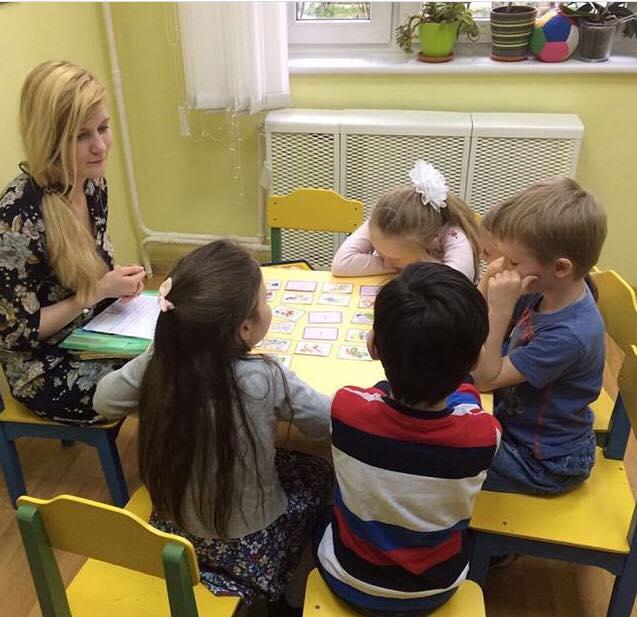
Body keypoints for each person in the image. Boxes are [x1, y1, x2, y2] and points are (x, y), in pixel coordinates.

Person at [93, 240, 333, 616]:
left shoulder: (160, 365)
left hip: (173, 533)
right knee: (319, 472)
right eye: (266, 299)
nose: (269, 306)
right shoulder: (265, 376)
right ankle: (289, 593)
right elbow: (324, 423)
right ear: (245, 328)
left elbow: (104, 400)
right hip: (250, 544)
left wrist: (160, 354)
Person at [314, 262, 501, 616]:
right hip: (435, 587)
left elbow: (376, 394)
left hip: (348, 578)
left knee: (321, 499)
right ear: (476, 360)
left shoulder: (346, 408)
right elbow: (467, 402)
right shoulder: (483, 435)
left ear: (374, 346)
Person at [0, 60, 146, 425]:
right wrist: (96, 292)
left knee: (190, 349)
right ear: (49, 140)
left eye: (103, 128)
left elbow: (89, 268)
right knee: (175, 379)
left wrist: (117, 282)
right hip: (44, 368)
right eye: (81, 136)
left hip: (92, 332)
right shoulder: (16, 220)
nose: (100, 146)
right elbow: (18, 334)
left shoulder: (91, 183)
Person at [472, 177, 607, 495]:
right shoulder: (546, 287)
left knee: (440, 450)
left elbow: (484, 379)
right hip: (516, 425)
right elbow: (473, 328)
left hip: (543, 464)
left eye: (513, 261)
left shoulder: (570, 334)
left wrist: (499, 310)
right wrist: (488, 282)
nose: (502, 266)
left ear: (560, 268)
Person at [331, 160, 480, 282]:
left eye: (395, 260)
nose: (385, 263)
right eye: (380, 254)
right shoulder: (384, 224)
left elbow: (455, 283)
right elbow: (341, 264)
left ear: (429, 246)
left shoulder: (451, 234)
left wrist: (424, 263)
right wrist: (398, 265)